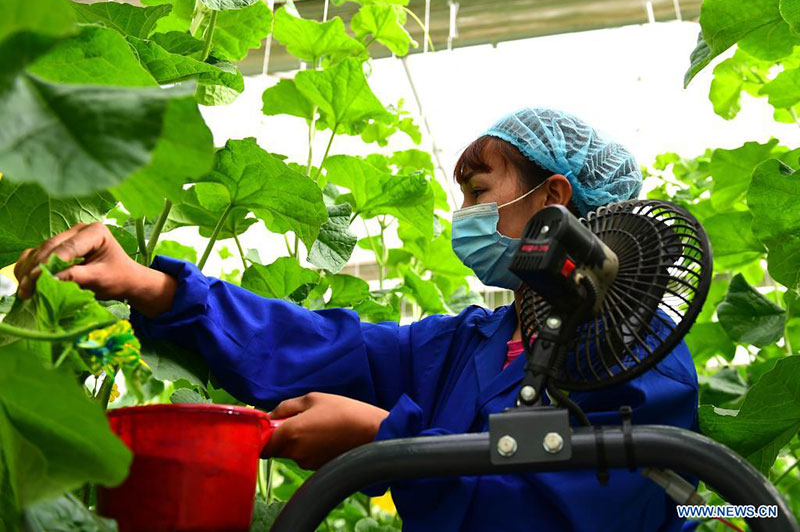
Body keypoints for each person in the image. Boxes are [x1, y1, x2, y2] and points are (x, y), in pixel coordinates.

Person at [14, 107, 698, 532]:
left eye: (479, 187)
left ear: (554, 198)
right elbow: (318, 348)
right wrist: (150, 284)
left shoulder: (642, 356)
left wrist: (385, 438)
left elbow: (572, 516)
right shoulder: (470, 343)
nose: (464, 214)